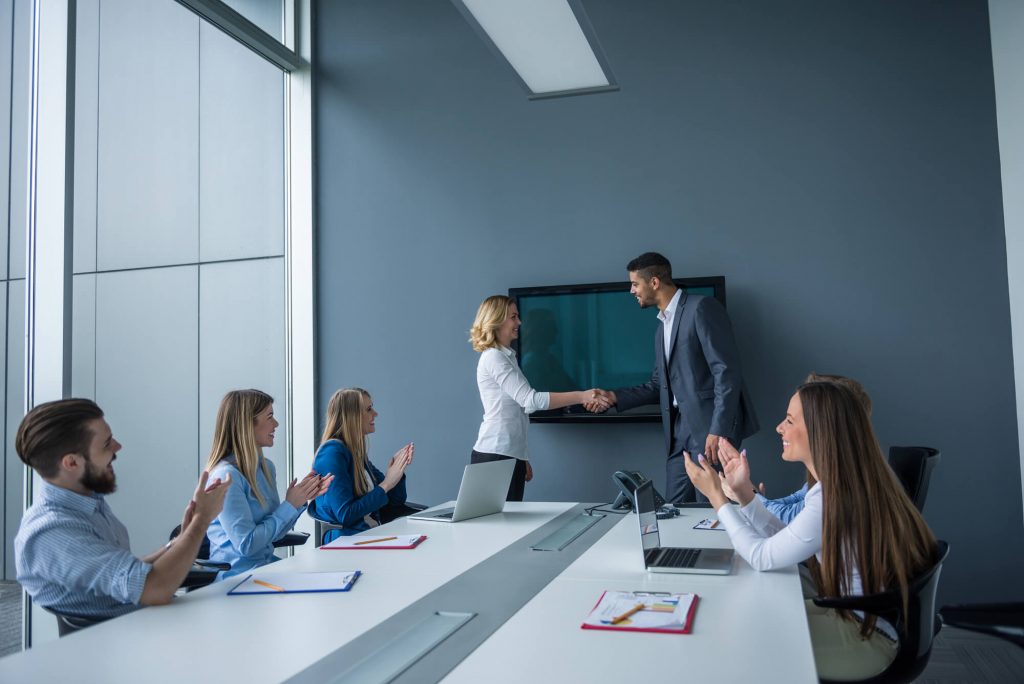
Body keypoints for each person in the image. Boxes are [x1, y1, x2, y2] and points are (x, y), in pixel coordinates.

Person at [684, 380, 937, 680]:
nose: (779, 428)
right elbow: (786, 538)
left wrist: (716, 496)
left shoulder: (833, 497)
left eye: (789, 421)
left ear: (821, 431)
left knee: (742, 638)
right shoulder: (843, 484)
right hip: (871, 623)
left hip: (868, 639)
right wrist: (743, 495)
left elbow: (761, 556)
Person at [14, 398, 229, 620]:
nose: (118, 446)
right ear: (71, 463)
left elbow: (128, 573)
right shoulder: (53, 532)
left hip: (153, 626)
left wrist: (182, 538)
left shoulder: (86, 501)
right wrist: (202, 519)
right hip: (128, 641)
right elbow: (153, 588)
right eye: (106, 443)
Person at [588, 252, 758, 503]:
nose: (631, 290)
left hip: (710, 427)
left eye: (635, 284)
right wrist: (614, 397)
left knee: (714, 511)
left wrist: (718, 429)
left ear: (654, 282)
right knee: (674, 508)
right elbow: (659, 385)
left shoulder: (701, 307)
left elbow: (726, 372)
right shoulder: (661, 329)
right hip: (679, 431)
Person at [470, 295, 609, 501]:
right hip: (495, 456)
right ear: (497, 320)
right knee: (497, 529)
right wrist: (582, 396)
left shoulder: (506, 356)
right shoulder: (494, 358)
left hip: (508, 455)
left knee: (506, 527)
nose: (519, 322)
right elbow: (530, 401)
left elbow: (517, 413)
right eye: (513, 317)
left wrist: (522, 457)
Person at [205, 389, 332, 578]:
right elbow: (247, 545)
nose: (276, 424)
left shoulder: (265, 468)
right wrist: (289, 505)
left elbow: (274, 535)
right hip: (237, 579)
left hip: (264, 569)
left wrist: (301, 499)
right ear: (247, 424)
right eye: (270, 417)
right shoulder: (226, 477)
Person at [740, 372, 873, 523]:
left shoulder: (840, 488)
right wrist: (749, 493)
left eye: (790, 421)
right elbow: (791, 506)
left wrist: (740, 494)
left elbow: (789, 518)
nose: (779, 428)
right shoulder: (829, 474)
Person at [309, 388, 414, 543]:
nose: (375, 414)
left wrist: (397, 471)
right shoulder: (332, 453)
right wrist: (386, 484)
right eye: (369, 409)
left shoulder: (356, 453)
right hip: (349, 544)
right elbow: (345, 514)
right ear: (352, 416)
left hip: (371, 537)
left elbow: (394, 501)